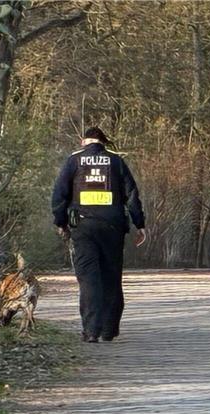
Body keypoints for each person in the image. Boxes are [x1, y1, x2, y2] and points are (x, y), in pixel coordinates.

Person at [51, 127, 147, 343]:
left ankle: (91, 331)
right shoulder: (116, 161)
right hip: (113, 227)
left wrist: (60, 222)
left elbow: (59, 194)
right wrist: (139, 223)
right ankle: (109, 330)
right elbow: (131, 194)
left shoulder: (73, 161)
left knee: (88, 278)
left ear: (83, 140)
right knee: (111, 276)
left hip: (83, 228)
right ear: (103, 142)